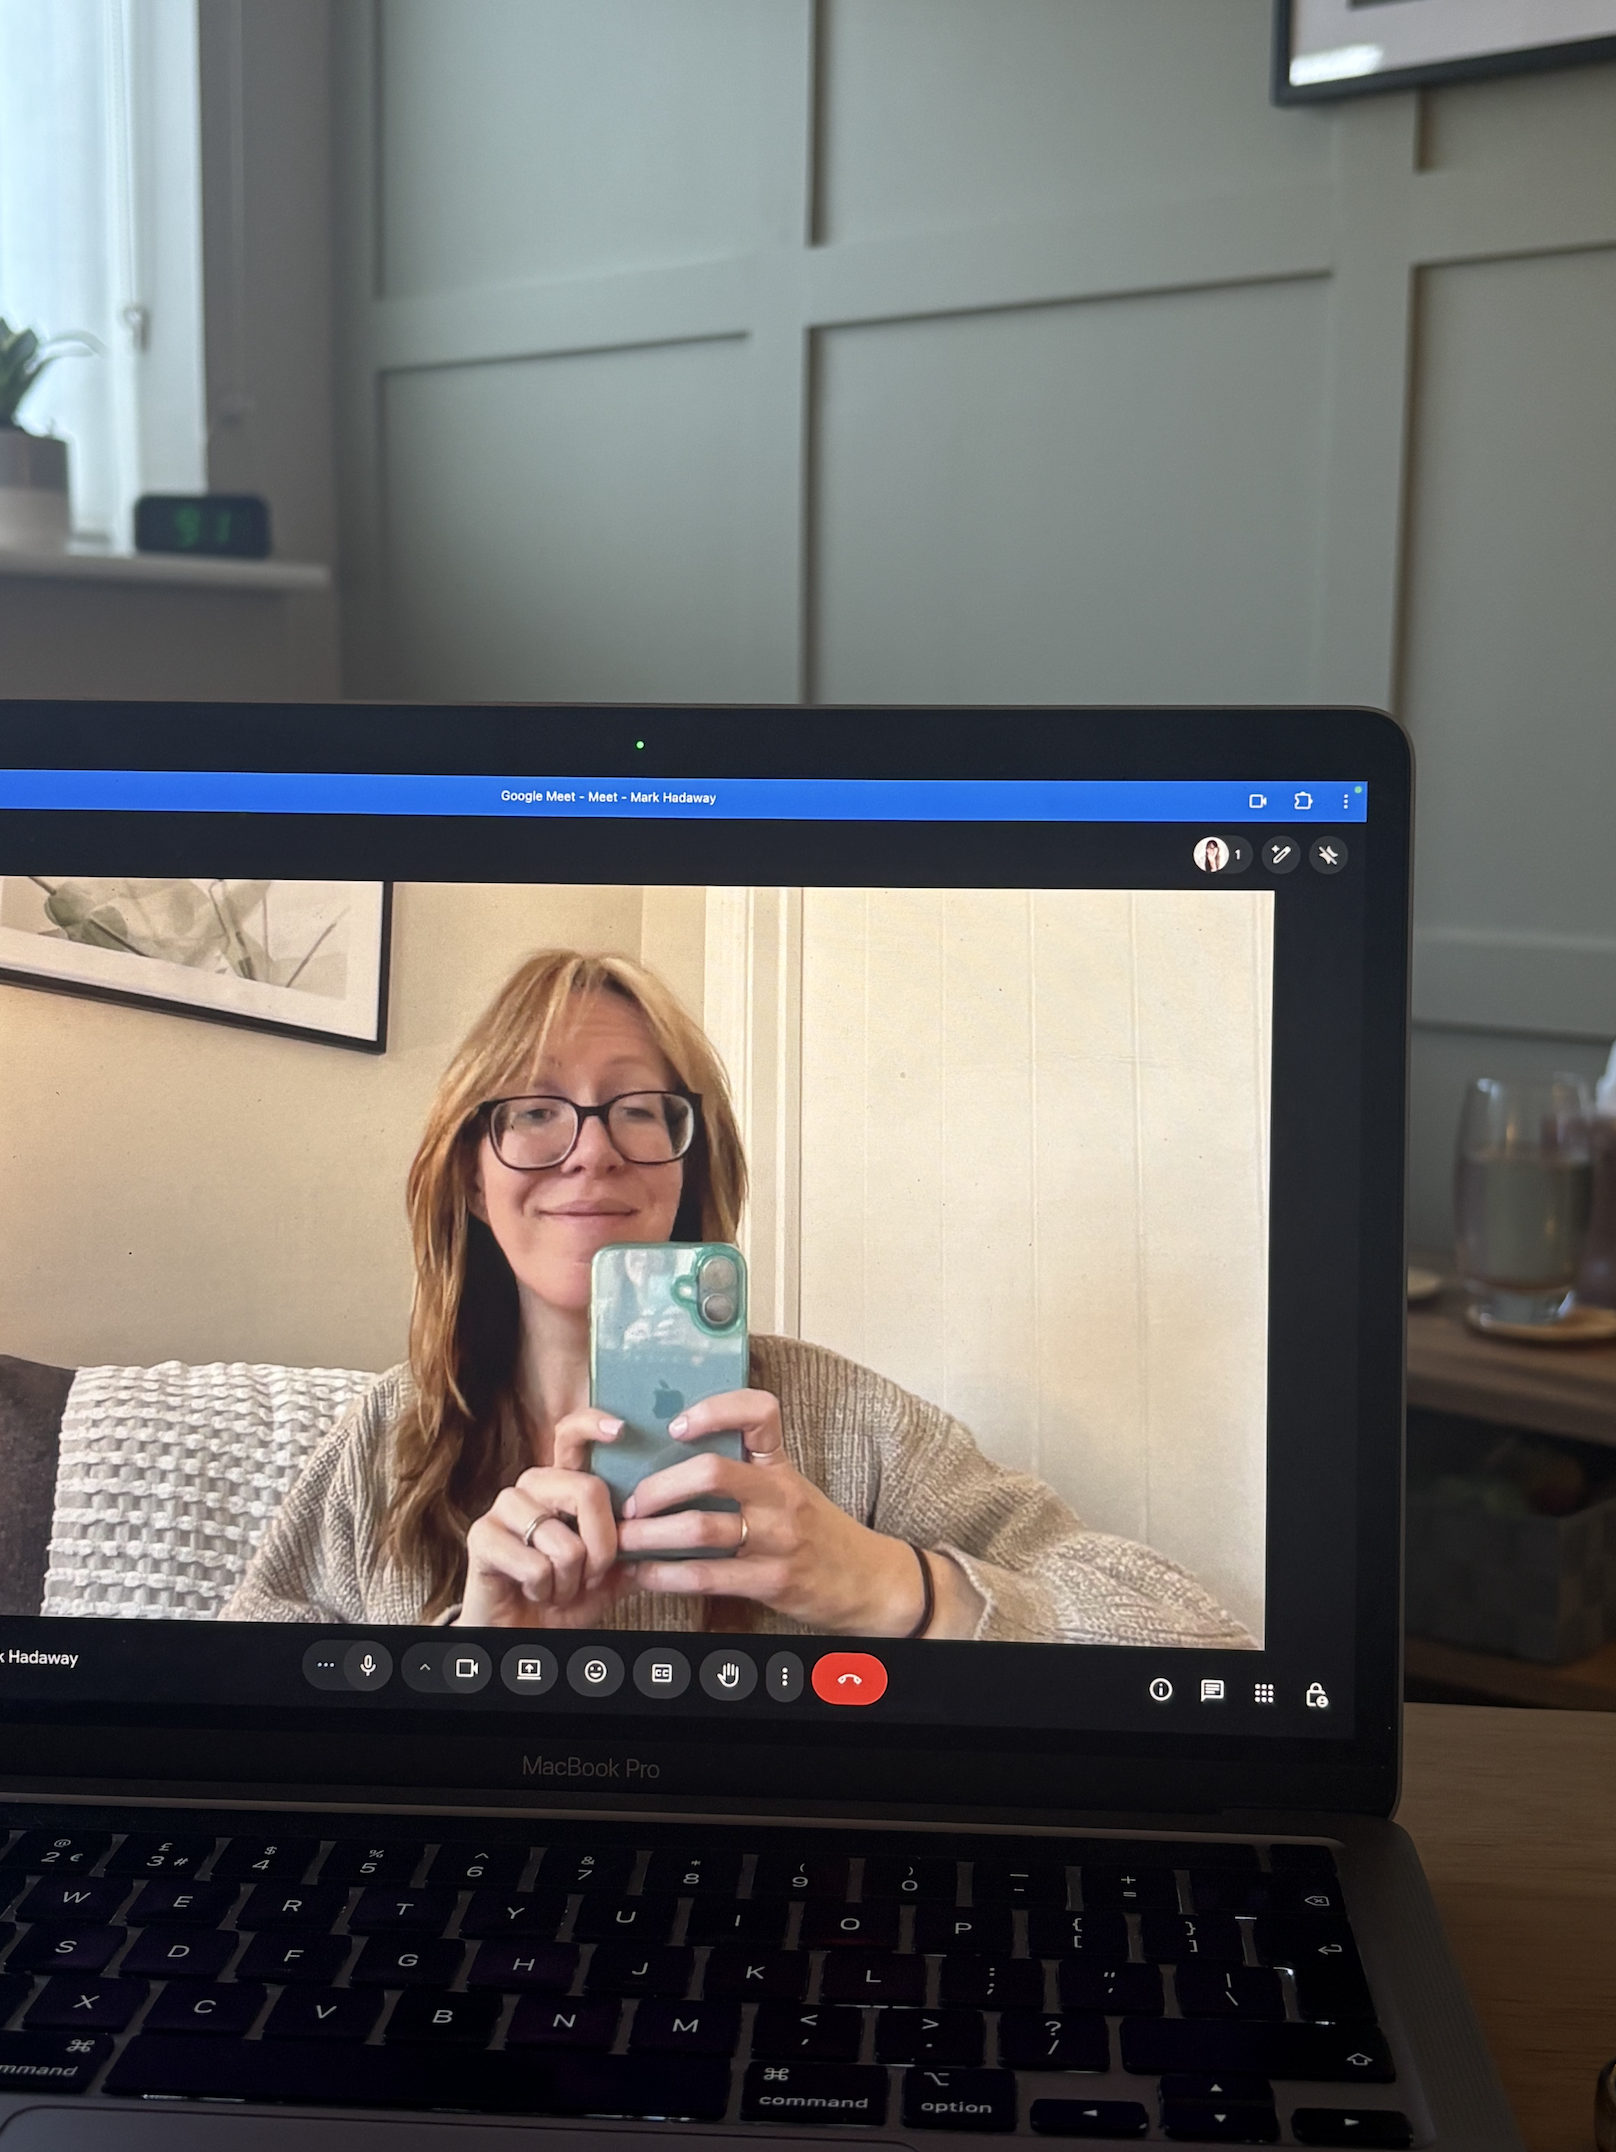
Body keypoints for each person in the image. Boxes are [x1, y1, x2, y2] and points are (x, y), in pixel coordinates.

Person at [223, 950, 1252, 1646]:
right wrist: (471, 1660)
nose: (590, 1152)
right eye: (534, 1110)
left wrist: (893, 1583)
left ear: (686, 1163)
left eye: (638, 1109)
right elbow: (228, 1711)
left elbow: (1202, 1639)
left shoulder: (850, 1424)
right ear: (468, 1179)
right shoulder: (391, 1436)